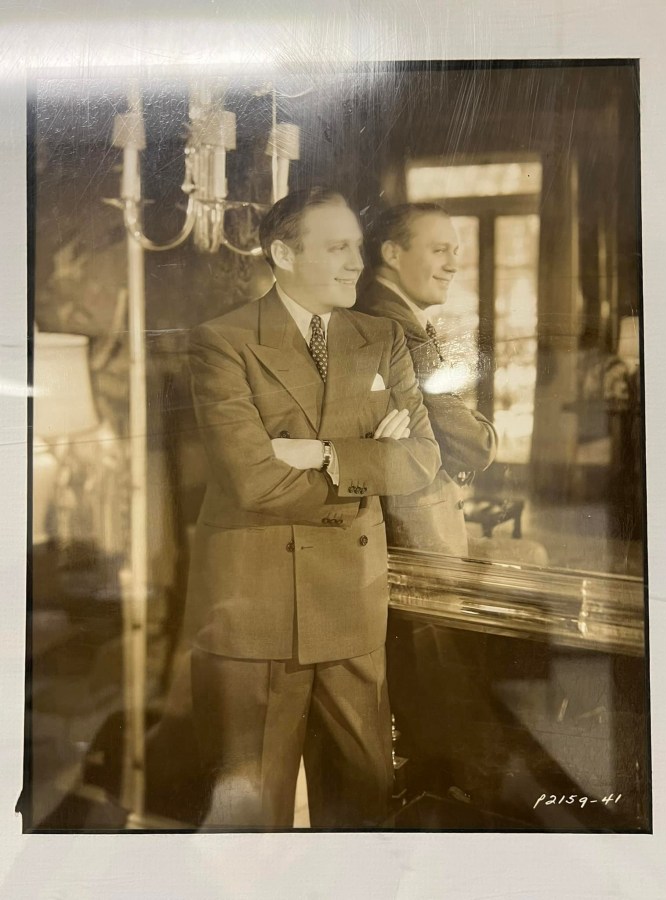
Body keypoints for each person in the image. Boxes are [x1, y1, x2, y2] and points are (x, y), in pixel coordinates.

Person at [184, 188, 441, 829]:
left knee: (364, 810)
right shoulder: (224, 341)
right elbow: (253, 481)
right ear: (283, 254)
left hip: (353, 604)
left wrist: (321, 453)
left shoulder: (382, 336)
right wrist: (367, 457)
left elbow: (421, 460)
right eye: (337, 248)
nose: (357, 262)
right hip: (256, 612)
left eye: (358, 246)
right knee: (251, 822)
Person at [357, 203, 498, 557]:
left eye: (455, 251)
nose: (453, 265)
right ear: (392, 253)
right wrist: (479, 428)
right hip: (411, 536)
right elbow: (474, 445)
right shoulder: (393, 322)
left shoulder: (390, 310)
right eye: (439, 250)